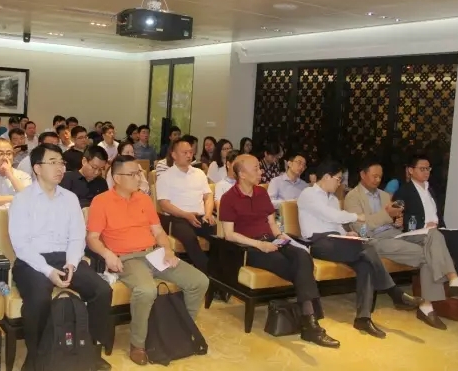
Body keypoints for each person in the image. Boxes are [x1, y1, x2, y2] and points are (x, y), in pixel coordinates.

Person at [87, 155, 209, 364]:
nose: (139, 177)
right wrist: (107, 254)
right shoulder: (101, 201)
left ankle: (180, 330)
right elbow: (92, 238)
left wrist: (168, 250)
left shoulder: (143, 199)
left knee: (199, 281)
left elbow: (158, 230)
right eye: (133, 174)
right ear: (117, 178)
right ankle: (138, 344)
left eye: (139, 173)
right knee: (146, 290)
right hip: (126, 258)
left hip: (153, 254)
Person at [344, 158, 458, 329]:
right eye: (374, 176)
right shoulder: (352, 197)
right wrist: (387, 215)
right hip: (375, 240)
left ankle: (454, 280)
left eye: (380, 176)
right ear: (362, 174)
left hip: (396, 234)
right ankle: (428, 305)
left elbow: (395, 221)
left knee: (434, 234)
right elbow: (361, 229)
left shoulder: (384, 195)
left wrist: (398, 222)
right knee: (429, 254)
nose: (378, 180)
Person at [8, 144, 112, 371]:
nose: (60, 168)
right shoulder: (22, 200)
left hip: (66, 258)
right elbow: (21, 246)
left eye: (61, 162)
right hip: (32, 262)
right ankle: (36, 358)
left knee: (102, 290)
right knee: (38, 299)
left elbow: (77, 237)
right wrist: (48, 271)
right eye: (53, 162)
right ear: (37, 168)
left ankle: (90, 350)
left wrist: (72, 264)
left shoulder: (70, 198)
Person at [220, 155, 339, 348]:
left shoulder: (261, 193)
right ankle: (311, 322)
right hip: (250, 248)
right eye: (256, 168)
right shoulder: (228, 198)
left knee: (302, 256)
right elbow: (229, 234)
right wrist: (259, 245)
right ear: (242, 174)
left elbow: (272, 224)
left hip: (272, 240)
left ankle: (309, 322)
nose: (260, 171)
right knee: (296, 267)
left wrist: (282, 238)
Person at [297, 160, 423, 338]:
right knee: (368, 248)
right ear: (326, 177)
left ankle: (363, 318)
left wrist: (347, 234)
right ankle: (394, 292)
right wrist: (357, 216)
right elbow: (330, 215)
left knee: (365, 263)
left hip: (336, 240)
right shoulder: (308, 194)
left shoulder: (333, 199)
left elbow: (337, 224)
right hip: (317, 242)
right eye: (338, 179)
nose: (339, 183)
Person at [393, 154, 458, 314]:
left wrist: (441, 226)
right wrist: (423, 225)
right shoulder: (404, 191)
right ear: (411, 170)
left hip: (438, 230)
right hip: (421, 233)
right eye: (422, 169)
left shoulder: (430, 189)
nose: (426, 172)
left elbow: (437, 215)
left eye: (428, 169)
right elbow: (398, 218)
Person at [157, 138, 216, 274]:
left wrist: (208, 214)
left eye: (190, 152)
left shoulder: (199, 173)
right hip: (177, 218)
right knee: (190, 238)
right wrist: (186, 215)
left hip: (200, 217)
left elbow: (208, 196)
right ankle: (208, 274)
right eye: (185, 153)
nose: (189, 155)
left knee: (218, 235)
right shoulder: (166, 176)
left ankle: (220, 272)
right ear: (174, 155)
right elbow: (164, 204)